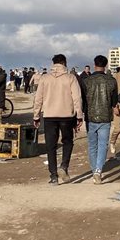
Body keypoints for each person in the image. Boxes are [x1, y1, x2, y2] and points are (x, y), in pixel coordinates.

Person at [33, 54, 83, 186]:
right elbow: (77, 98)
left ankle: (53, 176)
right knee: (68, 141)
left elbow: (38, 98)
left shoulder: (45, 78)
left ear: (53, 63)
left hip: (49, 116)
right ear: (64, 63)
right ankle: (64, 166)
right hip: (67, 116)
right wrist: (79, 115)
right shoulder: (71, 78)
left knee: (51, 146)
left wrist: (36, 116)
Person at [80, 55, 118, 185]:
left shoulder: (86, 81)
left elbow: (83, 101)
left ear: (94, 64)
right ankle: (98, 170)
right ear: (106, 65)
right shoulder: (112, 81)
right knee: (103, 145)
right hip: (105, 117)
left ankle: (93, 170)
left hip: (90, 117)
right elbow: (114, 101)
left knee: (92, 145)